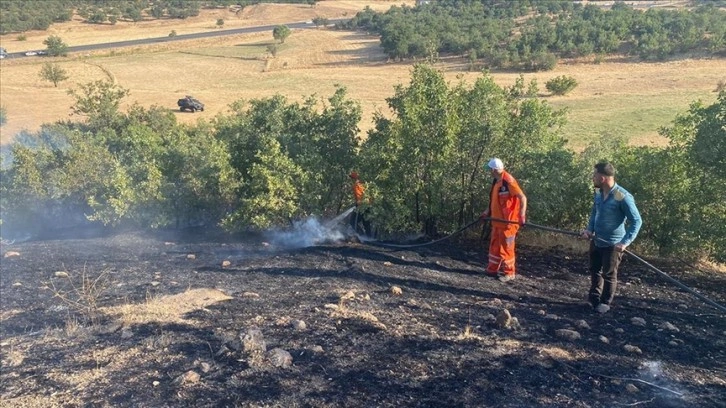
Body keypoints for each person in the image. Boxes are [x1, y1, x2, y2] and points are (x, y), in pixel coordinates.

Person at [579, 162, 642, 314]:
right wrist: (589, 230)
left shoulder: (622, 196)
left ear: (602, 178)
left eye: (594, 175)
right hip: (597, 240)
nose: (592, 178)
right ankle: (593, 300)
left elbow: (637, 220)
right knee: (595, 270)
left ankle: (605, 302)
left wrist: (625, 242)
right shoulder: (599, 193)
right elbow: (595, 213)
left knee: (609, 274)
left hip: (613, 244)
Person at [480, 158, 527, 282]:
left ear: (494, 170)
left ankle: (509, 273)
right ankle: (492, 270)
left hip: (508, 224)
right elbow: (493, 200)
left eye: (490, 170)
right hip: (497, 222)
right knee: (495, 246)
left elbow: (522, 198)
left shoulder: (508, 181)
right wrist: (486, 212)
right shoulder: (496, 182)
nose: (489, 172)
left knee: (507, 248)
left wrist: (522, 216)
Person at [349, 171, 371, 236]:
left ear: (355, 178)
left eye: (352, 178)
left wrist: (359, 204)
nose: (351, 180)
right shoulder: (364, 184)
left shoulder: (357, 185)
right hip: (367, 206)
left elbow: (359, 197)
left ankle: (362, 236)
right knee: (366, 223)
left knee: (352, 221)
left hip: (361, 206)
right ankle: (368, 237)